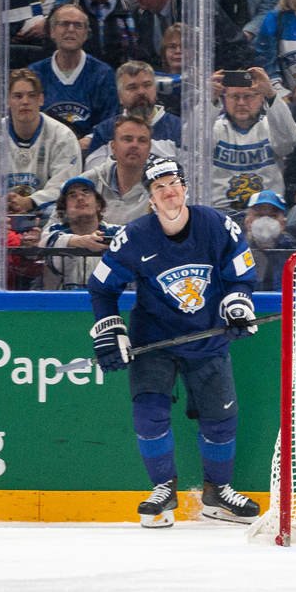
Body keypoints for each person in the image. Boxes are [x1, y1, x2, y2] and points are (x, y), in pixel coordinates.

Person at [87, 155, 261, 527]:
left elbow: (242, 274)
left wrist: (237, 302)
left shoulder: (217, 225)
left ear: (185, 187)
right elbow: (101, 287)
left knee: (220, 420)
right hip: (155, 340)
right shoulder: (134, 237)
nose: (168, 192)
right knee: (149, 414)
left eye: (173, 184)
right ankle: (163, 491)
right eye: (159, 187)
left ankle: (217, 493)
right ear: (151, 199)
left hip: (207, 339)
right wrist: (110, 327)